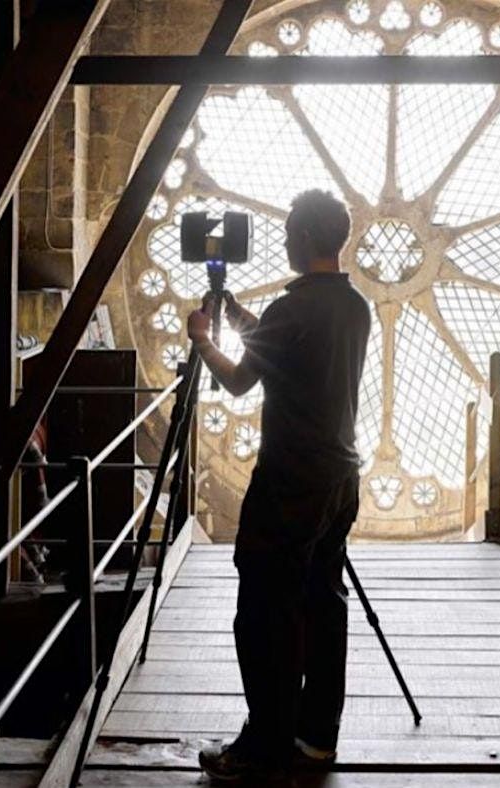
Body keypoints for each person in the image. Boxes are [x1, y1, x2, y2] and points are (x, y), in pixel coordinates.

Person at [188, 190, 371, 781]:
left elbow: (241, 381)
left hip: (289, 482)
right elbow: (290, 353)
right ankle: (317, 738)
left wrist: (203, 338)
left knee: (264, 610)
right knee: (324, 603)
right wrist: (244, 318)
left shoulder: (291, 311)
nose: (285, 240)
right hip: (340, 477)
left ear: (303, 237)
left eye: (289, 231)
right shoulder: (353, 306)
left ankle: (264, 742)